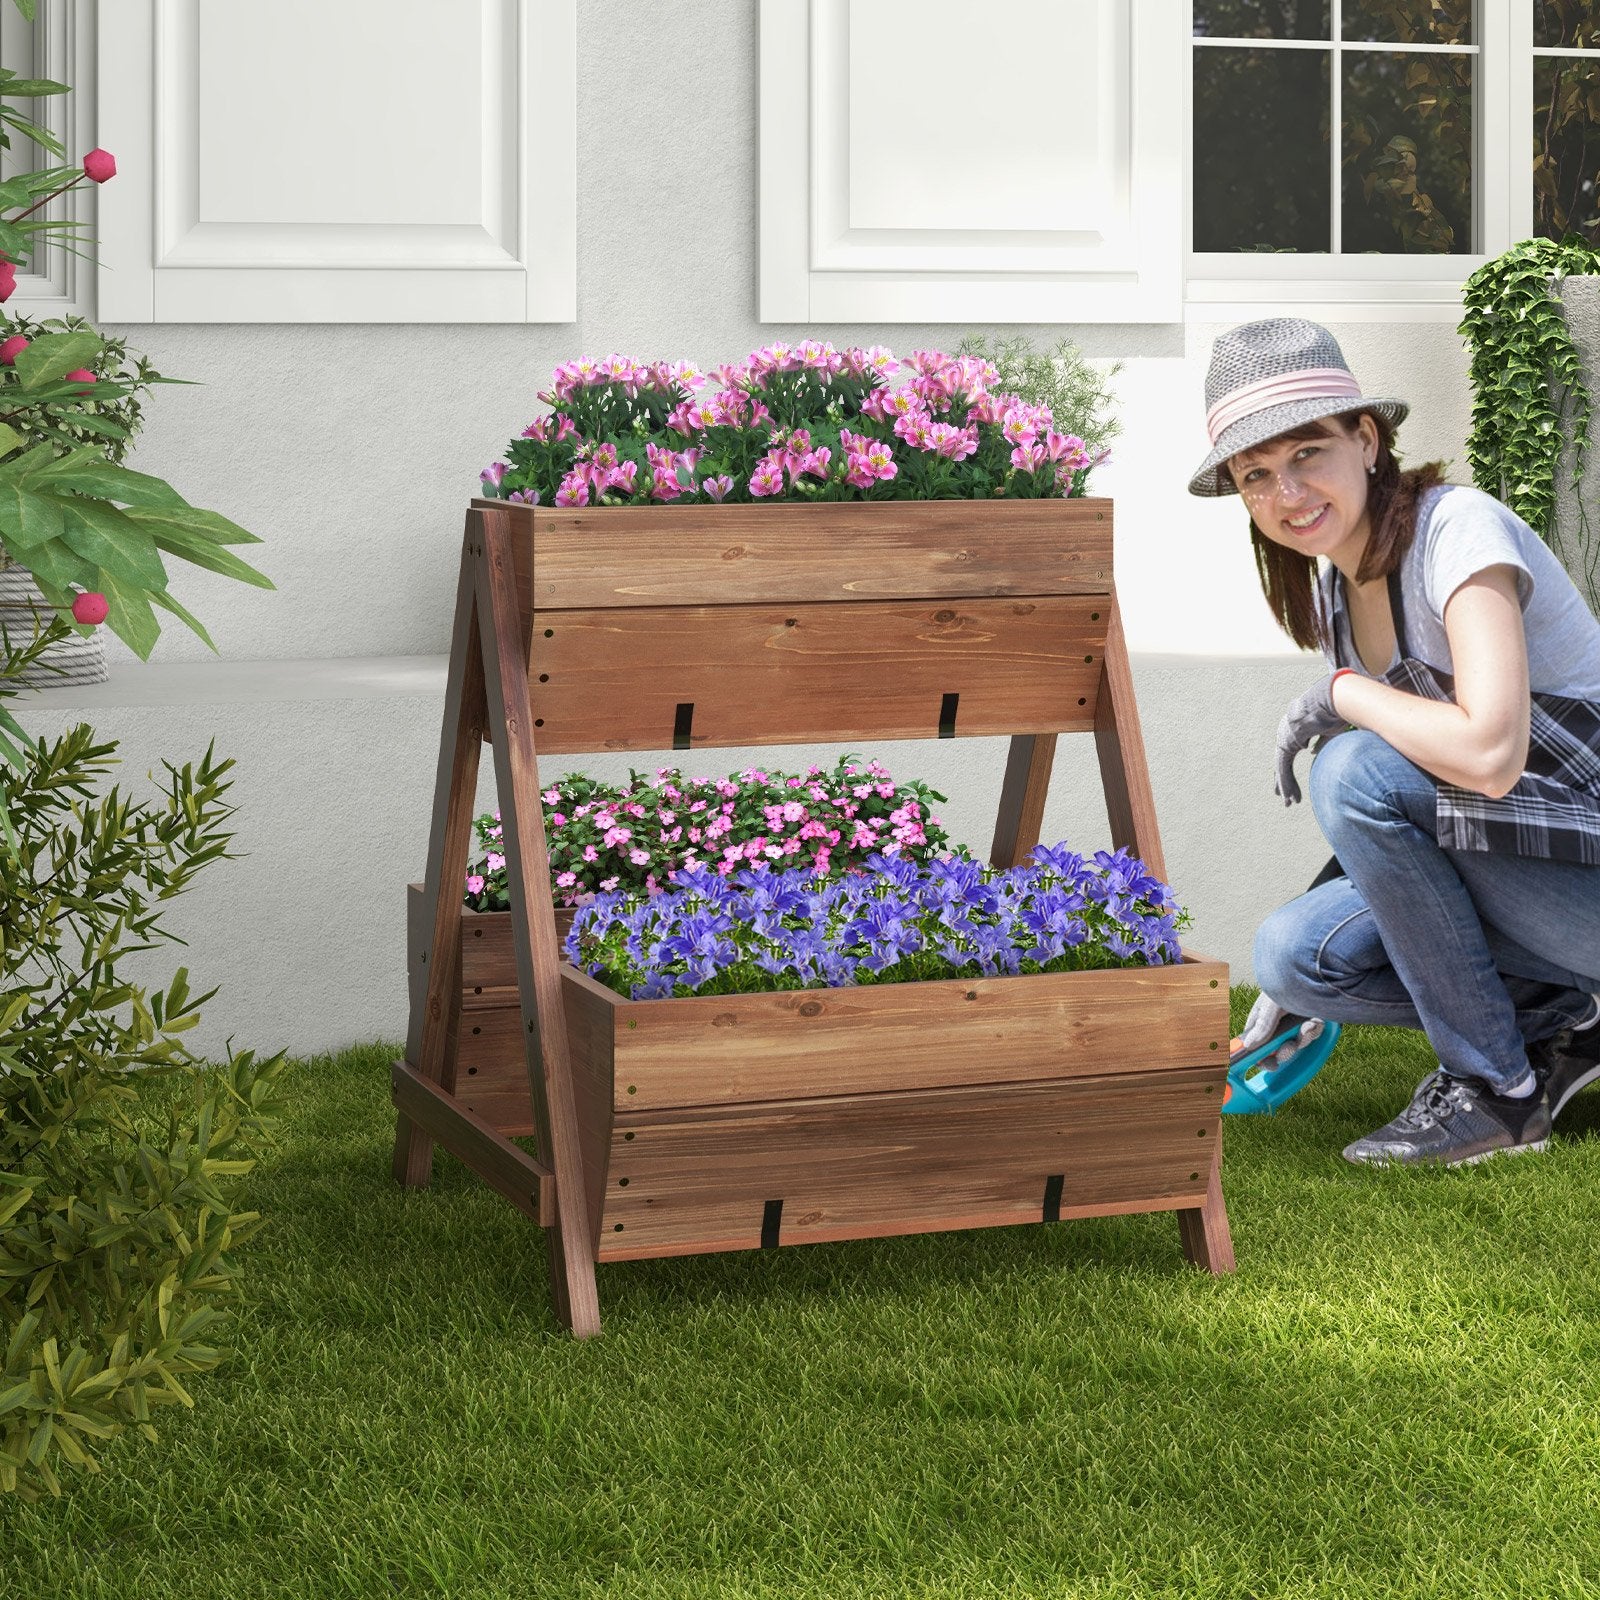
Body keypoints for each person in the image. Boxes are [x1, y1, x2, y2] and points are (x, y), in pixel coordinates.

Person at [1191, 317, 1600, 1166]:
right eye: (1256, 474)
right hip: (1536, 878)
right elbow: (1408, 814)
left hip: (1584, 870)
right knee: (1293, 957)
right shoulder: (1342, 595)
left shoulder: (1459, 531)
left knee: (1351, 761)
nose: (1287, 492)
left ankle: (1495, 1091)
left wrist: (1341, 695)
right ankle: (1569, 1019)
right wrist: (1290, 1001)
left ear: (1367, 439)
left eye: (1308, 453)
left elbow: (1489, 754)